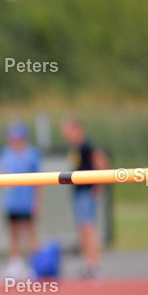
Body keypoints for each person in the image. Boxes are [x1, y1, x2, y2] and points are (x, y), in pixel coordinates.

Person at [61, 116, 108, 278]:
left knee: (88, 229)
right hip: (78, 192)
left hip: (86, 192)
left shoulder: (87, 145)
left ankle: (94, 263)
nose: (65, 134)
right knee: (82, 228)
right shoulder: (75, 147)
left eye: (67, 130)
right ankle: (88, 263)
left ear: (76, 129)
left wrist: (98, 187)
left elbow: (102, 162)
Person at [0, 121, 42, 280]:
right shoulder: (5, 154)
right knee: (13, 234)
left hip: (27, 201)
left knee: (30, 233)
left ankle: (34, 267)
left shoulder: (32, 154)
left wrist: (37, 202)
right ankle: (15, 265)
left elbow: (39, 181)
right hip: (11, 201)